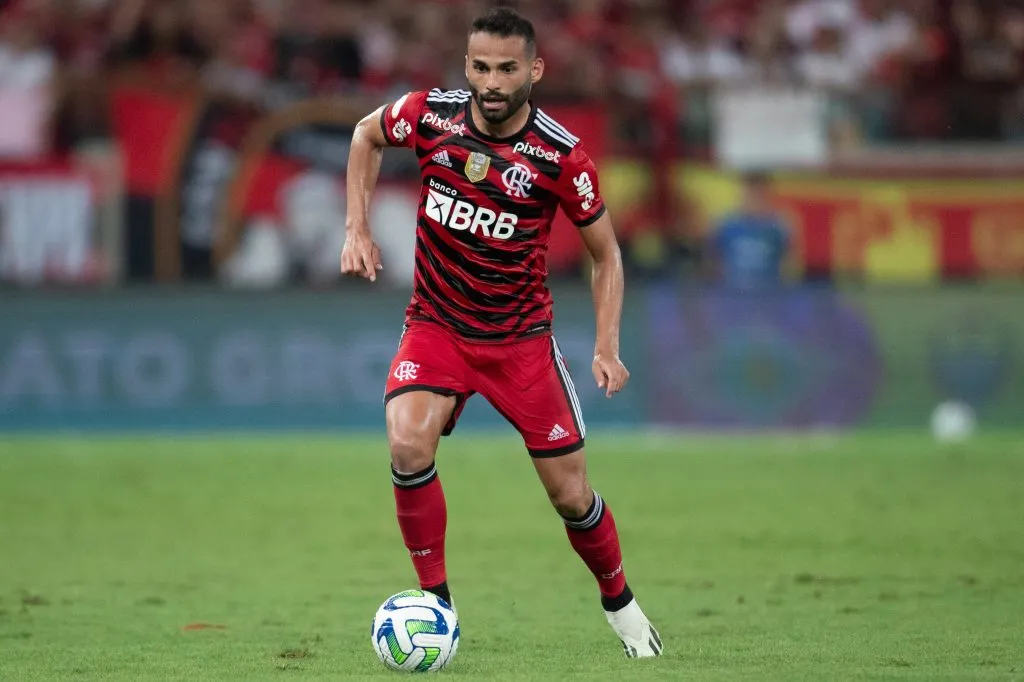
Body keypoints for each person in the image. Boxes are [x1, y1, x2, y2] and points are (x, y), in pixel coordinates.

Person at [340, 7, 662, 659]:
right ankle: (437, 604)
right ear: (467, 66)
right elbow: (364, 135)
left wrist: (605, 345)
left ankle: (621, 604)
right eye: (481, 67)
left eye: (507, 69)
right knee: (407, 446)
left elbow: (607, 254)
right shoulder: (430, 116)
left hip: (520, 344)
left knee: (571, 495)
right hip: (437, 327)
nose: (492, 81)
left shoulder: (560, 156)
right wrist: (356, 226)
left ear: (533, 70)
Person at [706, 171, 791, 291]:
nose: (755, 199)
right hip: (731, 293)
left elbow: (788, 263)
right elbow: (712, 259)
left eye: (760, 194)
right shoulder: (725, 224)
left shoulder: (779, 226)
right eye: (751, 193)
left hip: (768, 293)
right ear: (742, 193)